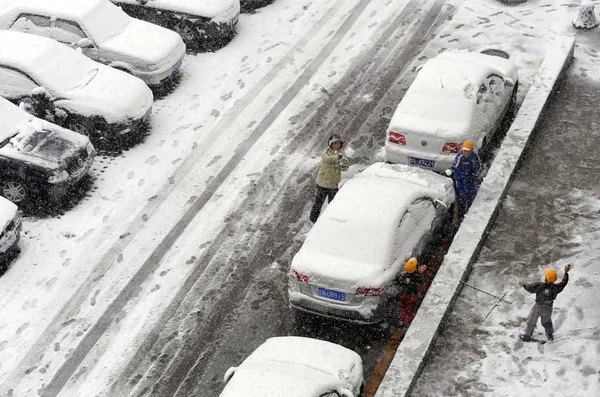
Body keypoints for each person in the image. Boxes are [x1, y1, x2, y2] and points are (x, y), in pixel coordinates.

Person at [519, 264, 571, 342]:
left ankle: (527, 336)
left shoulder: (540, 285)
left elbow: (530, 288)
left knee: (531, 320)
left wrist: (523, 285)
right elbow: (564, 283)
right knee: (547, 322)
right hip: (548, 307)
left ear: (546, 278)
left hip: (538, 306)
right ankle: (550, 336)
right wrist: (566, 273)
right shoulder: (556, 288)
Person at [309, 134, 350, 223]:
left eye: (338, 144)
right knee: (318, 204)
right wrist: (338, 157)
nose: (336, 145)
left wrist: (344, 166)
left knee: (332, 205)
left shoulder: (342, 153)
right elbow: (327, 159)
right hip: (322, 183)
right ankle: (313, 220)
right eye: (334, 143)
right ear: (330, 144)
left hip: (334, 185)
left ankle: (329, 222)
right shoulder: (326, 152)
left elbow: (346, 165)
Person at [445, 140, 481, 220]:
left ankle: (471, 210)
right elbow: (455, 165)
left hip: (470, 178)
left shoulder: (474, 157)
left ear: (471, 150)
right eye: (464, 151)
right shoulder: (460, 156)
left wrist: (474, 175)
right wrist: (452, 169)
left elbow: (478, 167)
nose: (465, 153)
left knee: (472, 194)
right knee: (461, 197)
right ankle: (461, 215)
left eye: (467, 151)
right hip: (461, 179)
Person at [398, 257, 427, 326]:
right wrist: (420, 273)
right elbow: (421, 281)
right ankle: (407, 322)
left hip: (403, 294)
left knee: (403, 307)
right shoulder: (416, 276)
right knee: (409, 310)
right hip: (411, 296)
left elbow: (400, 280)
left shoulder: (404, 275)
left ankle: (401, 320)